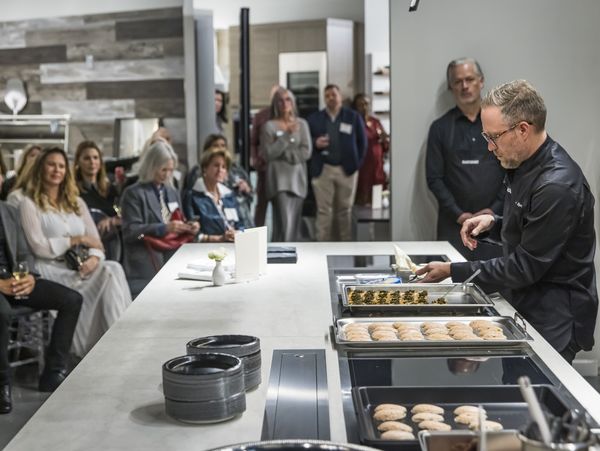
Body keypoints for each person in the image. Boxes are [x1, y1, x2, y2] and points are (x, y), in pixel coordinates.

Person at [416, 80, 598, 364]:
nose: (490, 147)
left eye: (494, 137)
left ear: (522, 129)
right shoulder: (523, 163)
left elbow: (526, 266)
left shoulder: (557, 186)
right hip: (527, 302)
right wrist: (494, 223)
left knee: (540, 402)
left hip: (556, 315)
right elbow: (531, 226)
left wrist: (454, 270)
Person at [19, 147, 131, 357]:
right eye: (51, 164)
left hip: (81, 266)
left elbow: (96, 243)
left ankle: (117, 341)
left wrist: (95, 259)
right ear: (41, 168)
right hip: (50, 269)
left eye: (61, 166)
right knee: (111, 271)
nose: (57, 170)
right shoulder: (29, 203)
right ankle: (118, 343)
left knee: (112, 269)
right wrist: (76, 239)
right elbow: (38, 246)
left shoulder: (76, 202)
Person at [0, 201, 82, 412]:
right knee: (2, 313)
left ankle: (53, 373)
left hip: (15, 279)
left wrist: (29, 276)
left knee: (71, 299)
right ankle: (2, 383)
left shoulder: (9, 210)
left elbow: (24, 253)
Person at [426, 57, 505, 260]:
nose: (464, 86)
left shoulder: (500, 125)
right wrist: (459, 214)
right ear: (451, 87)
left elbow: (512, 170)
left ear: (481, 81)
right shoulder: (440, 128)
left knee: (496, 286)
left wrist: (493, 210)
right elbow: (434, 178)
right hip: (453, 227)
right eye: (458, 81)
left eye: (469, 79)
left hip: (494, 225)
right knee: (452, 284)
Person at [121, 140, 198, 292]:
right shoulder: (133, 193)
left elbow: (178, 219)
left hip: (173, 258)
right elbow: (130, 231)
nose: (167, 175)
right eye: (163, 170)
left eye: (170, 170)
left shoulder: (172, 191)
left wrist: (189, 227)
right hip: (144, 264)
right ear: (151, 166)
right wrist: (164, 228)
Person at [307, 84, 367, 241]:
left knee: (344, 210)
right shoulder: (315, 119)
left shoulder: (353, 117)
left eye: (334, 94)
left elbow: (363, 143)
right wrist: (315, 142)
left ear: (340, 96)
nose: (331, 98)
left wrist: (356, 164)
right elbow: (307, 142)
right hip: (323, 169)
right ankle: (321, 247)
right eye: (327, 95)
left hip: (346, 170)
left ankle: (345, 246)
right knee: (324, 211)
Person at [260, 88, 312, 241]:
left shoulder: (302, 124)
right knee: (284, 225)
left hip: (298, 180)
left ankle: (293, 260)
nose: (284, 103)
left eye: (288, 99)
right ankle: (280, 258)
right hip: (279, 182)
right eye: (280, 100)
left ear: (293, 102)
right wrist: (287, 136)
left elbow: (306, 151)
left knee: (295, 227)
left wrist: (285, 153)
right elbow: (268, 154)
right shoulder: (269, 126)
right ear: (275, 103)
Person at [185, 134, 254, 229]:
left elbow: (250, 198)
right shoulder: (196, 177)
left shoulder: (236, 171)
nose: (220, 170)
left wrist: (246, 190)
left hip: (243, 223)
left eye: (223, 145)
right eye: (216, 146)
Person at [73, 141, 122, 261]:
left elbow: (122, 215)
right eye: (86, 158)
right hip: (82, 246)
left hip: (110, 244)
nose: (92, 162)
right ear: (78, 162)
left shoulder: (110, 189)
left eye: (95, 158)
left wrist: (112, 220)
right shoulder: (72, 190)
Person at [183, 148, 242, 242]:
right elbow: (192, 234)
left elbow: (241, 225)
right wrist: (219, 239)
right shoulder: (192, 196)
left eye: (223, 167)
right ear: (205, 168)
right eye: (216, 165)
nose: (220, 170)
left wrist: (237, 233)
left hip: (234, 246)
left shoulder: (229, 195)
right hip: (207, 250)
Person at [351, 93, 390, 205]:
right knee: (362, 200)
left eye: (366, 104)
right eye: (361, 105)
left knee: (376, 201)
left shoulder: (375, 122)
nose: (364, 107)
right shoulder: (354, 122)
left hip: (377, 167)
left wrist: (384, 139)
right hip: (362, 167)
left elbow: (385, 145)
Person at [251, 85, 280, 227]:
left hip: (282, 170)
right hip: (264, 168)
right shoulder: (261, 116)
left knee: (280, 208)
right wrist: (255, 159)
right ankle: (257, 235)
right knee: (261, 204)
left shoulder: (288, 117)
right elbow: (253, 141)